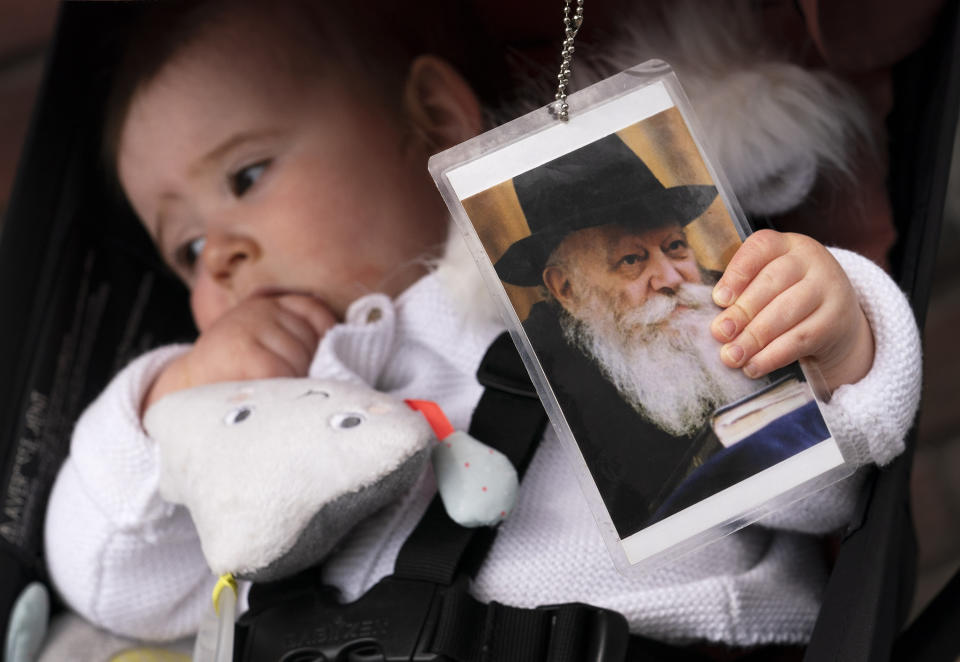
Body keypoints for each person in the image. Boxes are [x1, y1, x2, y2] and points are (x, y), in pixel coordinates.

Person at [43, 0, 922, 652]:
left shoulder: (614, 298)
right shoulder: (244, 412)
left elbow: (818, 491)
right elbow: (117, 579)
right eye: (186, 249)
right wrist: (171, 398)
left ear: (432, 119)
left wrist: (835, 335)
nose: (221, 259)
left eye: (245, 177)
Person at [494, 133, 836, 534]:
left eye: (675, 246)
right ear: (567, 290)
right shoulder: (547, 372)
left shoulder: (740, 300)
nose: (671, 278)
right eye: (631, 260)